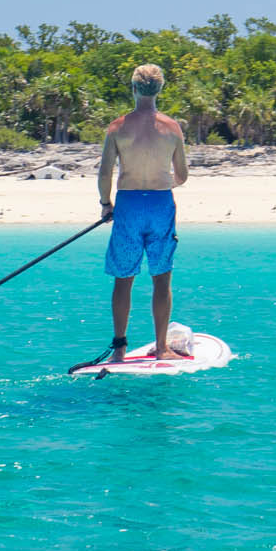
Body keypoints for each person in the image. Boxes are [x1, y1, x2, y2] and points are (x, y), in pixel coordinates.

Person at [95, 63, 190, 361]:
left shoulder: (117, 128)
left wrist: (106, 205)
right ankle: (162, 348)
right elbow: (182, 175)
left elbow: (105, 173)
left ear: (134, 89)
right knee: (161, 277)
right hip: (161, 204)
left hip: (128, 204)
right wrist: (163, 183)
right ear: (160, 89)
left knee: (124, 279)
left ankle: (119, 349)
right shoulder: (172, 128)